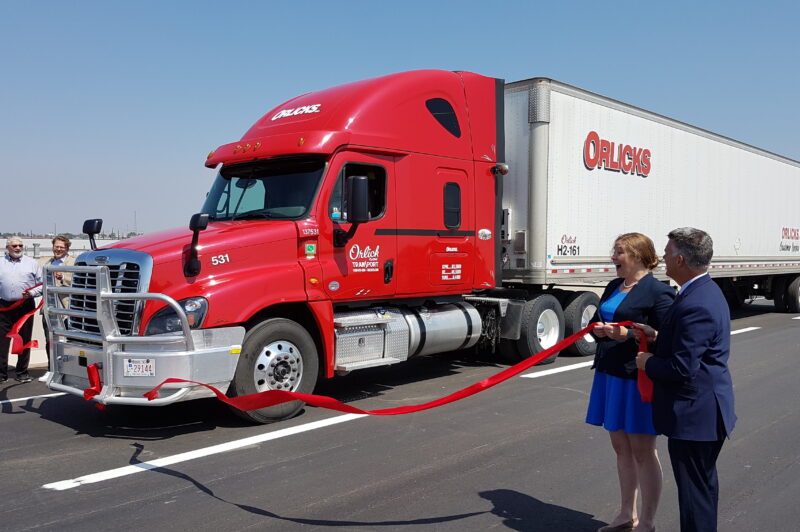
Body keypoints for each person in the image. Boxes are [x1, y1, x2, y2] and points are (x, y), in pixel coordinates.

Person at [636, 228, 736, 532]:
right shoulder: (701, 291)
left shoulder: (697, 302)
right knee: (701, 491)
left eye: (667, 252)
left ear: (680, 259)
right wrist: (657, 336)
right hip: (702, 412)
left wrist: (649, 362)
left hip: (696, 417)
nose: (662, 257)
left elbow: (682, 367)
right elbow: (691, 345)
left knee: (695, 498)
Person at [586, 233, 675, 532]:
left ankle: (647, 522)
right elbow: (601, 318)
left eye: (619, 251)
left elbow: (666, 340)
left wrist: (628, 336)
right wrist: (597, 331)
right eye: (615, 250)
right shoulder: (614, 285)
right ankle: (627, 514)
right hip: (609, 373)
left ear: (637, 255)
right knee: (621, 448)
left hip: (636, 378)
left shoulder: (658, 292)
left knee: (642, 450)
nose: (614, 257)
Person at [0, 237, 43, 383]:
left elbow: (42, 284)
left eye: (20, 245)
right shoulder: (0, 262)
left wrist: (32, 293)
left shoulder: (32, 263)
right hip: (4, 307)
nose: (18, 248)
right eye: (14, 246)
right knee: (2, 341)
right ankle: (1, 374)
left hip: (25, 306)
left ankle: (22, 372)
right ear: (8, 248)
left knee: (24, 340)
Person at [38, 235, 76, 372]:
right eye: (56, 246)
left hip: (67, 308)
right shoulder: (46, 262)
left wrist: (62, 277)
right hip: (49, 308)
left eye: (62, 247)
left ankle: (70, 369)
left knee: (70, 341)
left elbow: (78, 281)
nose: (58, 249)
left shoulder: (74, 262)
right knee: (50, 340)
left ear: (67, 248)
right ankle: (52, 369)